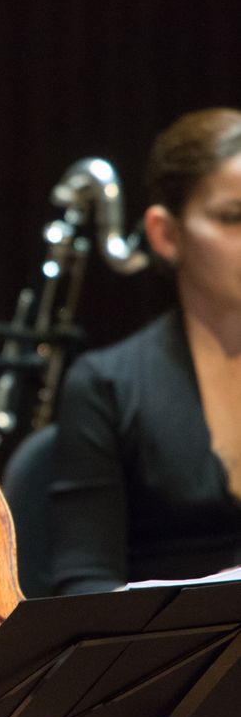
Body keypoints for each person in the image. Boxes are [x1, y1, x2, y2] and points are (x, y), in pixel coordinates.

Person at [48, 107, 241, 595]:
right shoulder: (106, 385)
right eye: (233, 217)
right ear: (165, 234)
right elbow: (84, 587)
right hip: (187, 643)